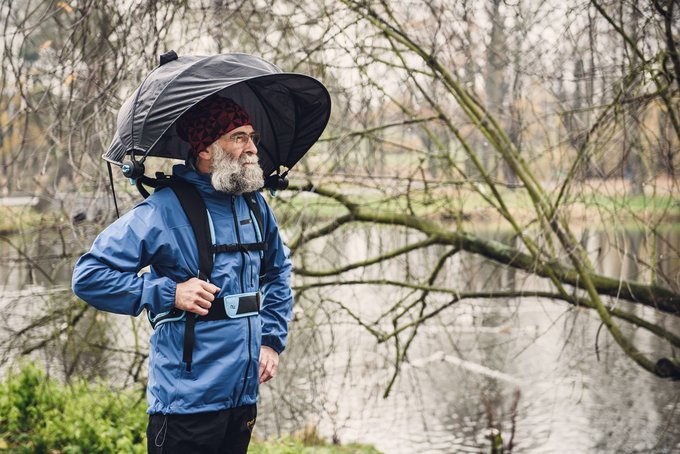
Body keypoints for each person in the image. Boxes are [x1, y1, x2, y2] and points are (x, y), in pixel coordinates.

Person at [72, 95, 293, 453]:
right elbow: (89, 276)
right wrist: (168, 293)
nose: (252, 148)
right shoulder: (163, 209)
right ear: (206, 149)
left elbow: (279, 271)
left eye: (252, 137)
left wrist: (271, 340)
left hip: (242, 399)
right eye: (239, 137)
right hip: (186, 405)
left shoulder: (255, 204)